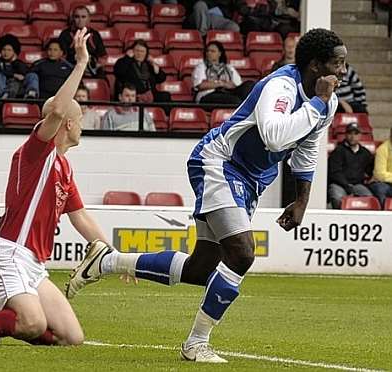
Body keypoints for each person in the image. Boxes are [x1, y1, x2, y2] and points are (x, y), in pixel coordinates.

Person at [66, 28, 345, 362]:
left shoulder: (326, 103)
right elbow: (273, 136)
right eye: (338, 64)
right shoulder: (281, 86)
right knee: (241, 254)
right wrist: (317, 102)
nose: (343, 72)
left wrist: (302, 200)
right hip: (219, 162)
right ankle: (196, 344)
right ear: (315, 65)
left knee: (201, 269)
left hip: (249, 179)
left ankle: (107, 261)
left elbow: (308, 147)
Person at [0, 28, 108, 347]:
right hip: (11, 254)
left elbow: (81, 218)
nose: (83, 125)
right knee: (32, 324)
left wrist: (113, 257)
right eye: (81, 119)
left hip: (34, 264)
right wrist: (80, 63)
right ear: (68, 125)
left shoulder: (64, 166)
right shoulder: (36, 151)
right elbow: (58, 109)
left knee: (70, 338)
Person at [327, 123, 374, 209]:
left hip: (357, 185)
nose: (352, 136)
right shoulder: (338, 151)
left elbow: (370, 169)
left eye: (356, 134)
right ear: (346, 134)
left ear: (360, 135)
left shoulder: (365, 153)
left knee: (369, 198)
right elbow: (334, 172)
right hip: (339, 184)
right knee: (337, 198)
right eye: (350, 133)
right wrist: (346, 185)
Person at [59, 4, 107, 79]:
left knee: (103, 79)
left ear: (89, 19)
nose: (80, 20)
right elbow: (61, 58)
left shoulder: (95, 34)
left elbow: (103, 57)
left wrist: (93, 68)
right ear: (73, 18)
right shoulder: (65, 34)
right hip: (72, 69)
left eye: (83, 17)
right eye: (77, 17)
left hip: (92, 69)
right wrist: (78, 68)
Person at [0, 34, 38, 99]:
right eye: (4, 49)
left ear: (14, 52)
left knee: (32, 75)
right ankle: (5, 94)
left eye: (9, 50)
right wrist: (13, 75)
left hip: (16, 90)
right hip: (0, 91)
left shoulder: (19, 63)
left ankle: (31, 94)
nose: (6, 53)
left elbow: (25, 74)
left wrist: (14, 62)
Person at [369, 128, 392, 208]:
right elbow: (380, 174)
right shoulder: (382, 149)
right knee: (381, 189)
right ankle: (383, 214)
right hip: (382, 183)